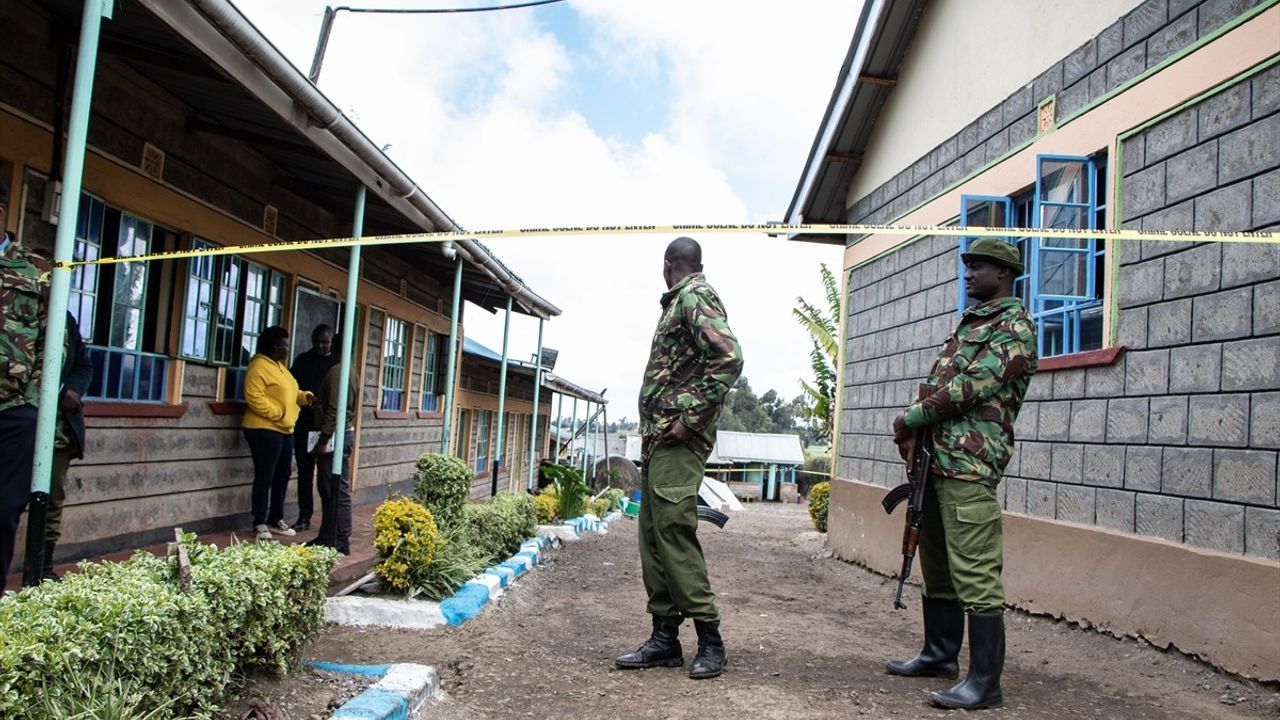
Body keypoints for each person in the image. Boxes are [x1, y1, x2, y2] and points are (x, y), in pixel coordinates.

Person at [887, 238, 1038, 710]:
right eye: (967, 265)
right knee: (938, 565)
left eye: (980, 266)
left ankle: (985, 683)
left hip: (970, 463)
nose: (969, 273)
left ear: (1006, 274)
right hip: (937, 460)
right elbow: (938, 383)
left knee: (975, 568)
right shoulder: (972, 323)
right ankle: (939, 654)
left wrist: (912, 417)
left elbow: (971, 387)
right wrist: (916, 431)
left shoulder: (1014, 327)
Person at [616, 237, 743, 680]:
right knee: (653, 537)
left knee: (673, 531)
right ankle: (664, 639)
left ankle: (711, 640)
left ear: (667, 264)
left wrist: (689, 420)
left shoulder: (694, 296)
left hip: (678, 440)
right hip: (659, 440)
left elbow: (729, 358)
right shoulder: (677, 303)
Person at [0, 180, 45, 584]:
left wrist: (32, 402)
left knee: (3, 509)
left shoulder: (32, 272)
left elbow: (53, 344)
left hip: (13, 411)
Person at [242, 326, 312, 541]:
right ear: (274, 347)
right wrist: (279, 412)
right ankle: (259, 522)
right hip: (264, 429)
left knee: (283, 474)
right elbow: (253, 396)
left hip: (284, 430)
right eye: (285, 346)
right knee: (265, 476)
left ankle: (275, 519)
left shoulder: (280, 368)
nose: (287, 349)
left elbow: (289, 392)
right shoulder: (259, 366)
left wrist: (304, 397)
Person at [308, 344, 358, 554]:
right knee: (328, 489)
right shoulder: (350, 370)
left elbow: (337, 409)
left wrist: (323, 440)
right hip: (338, 433)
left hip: (336, 436)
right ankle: (328, 536)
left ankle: (339, 540)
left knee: (337, 489)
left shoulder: (339, 371)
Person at [289, 324, 333, 532]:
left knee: (326, 475)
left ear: (331, 342)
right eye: (317, 341)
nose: (320, 346)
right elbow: (291, 388)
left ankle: (329, 520)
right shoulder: (302, 361)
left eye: (325, 342)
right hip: (304, 424)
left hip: (325, 427)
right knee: (305, 474)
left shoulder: (334, 364)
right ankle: (304, 516)